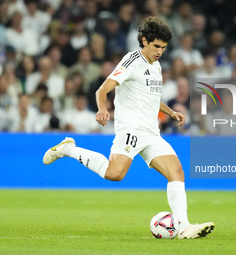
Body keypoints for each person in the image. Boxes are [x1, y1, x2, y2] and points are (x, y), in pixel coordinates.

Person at [42, 16, 214, 239]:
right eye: (156, 46)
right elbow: (102, 90)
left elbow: (149, 97)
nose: (160, 51)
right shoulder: (131, 61)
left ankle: (183, 227)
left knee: (177, 172)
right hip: (131, 129)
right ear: (144, 40)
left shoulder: (157, 66)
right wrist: (102, 109)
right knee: (114, 174)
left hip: (152, 132)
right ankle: (67, 149)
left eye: (163, 47)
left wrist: (170, 112)